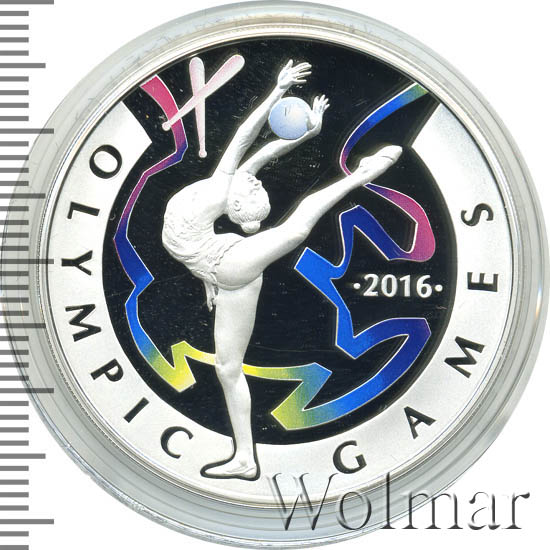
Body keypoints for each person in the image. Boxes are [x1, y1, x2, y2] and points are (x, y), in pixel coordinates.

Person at [162, 60, 402, 479]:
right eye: (256, 186)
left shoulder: (221, 190)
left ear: (236, 206)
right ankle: (245, 458)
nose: (257, 180)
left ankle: (364, 174)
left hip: (229, 263)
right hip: (225, 271)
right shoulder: (226, 187)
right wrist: (301, 122)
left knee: (296, 227)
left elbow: (247, 140)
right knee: (227, 368)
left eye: (255, 189)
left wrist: (280, 93)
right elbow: (259, 148)